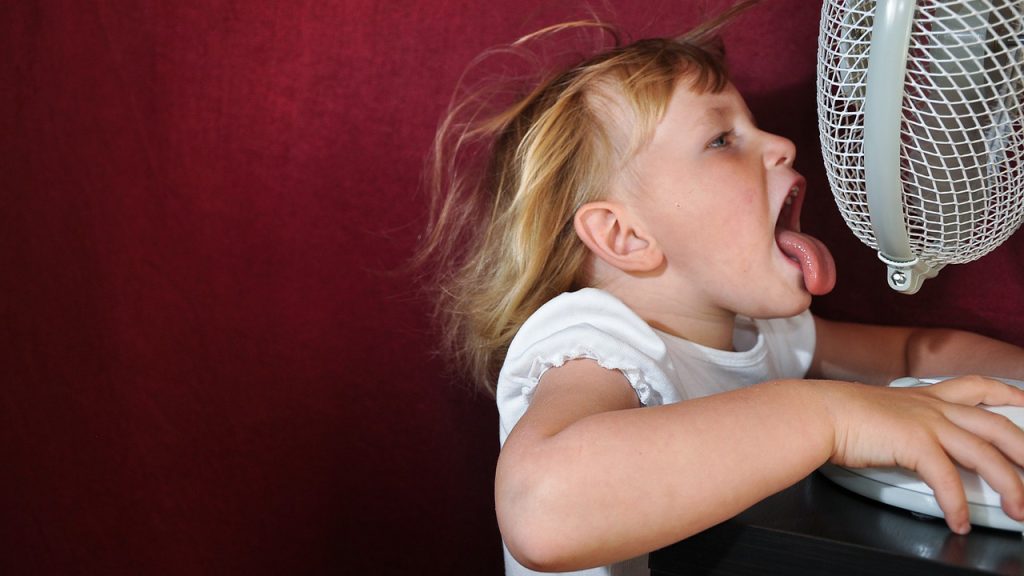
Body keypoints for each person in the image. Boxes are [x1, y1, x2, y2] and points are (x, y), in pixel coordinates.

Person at [418, 2, 1024, 575]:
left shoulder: (763, 334)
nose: (782, 146)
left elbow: (919, 352)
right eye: (722, 140)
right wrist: (831, 416)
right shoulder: (595, 342)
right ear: (624, 235)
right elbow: (542, 508)